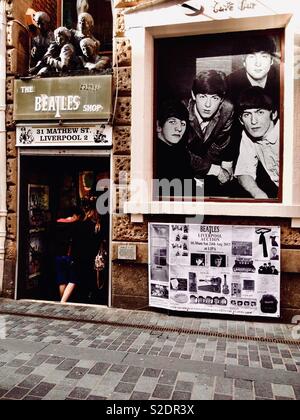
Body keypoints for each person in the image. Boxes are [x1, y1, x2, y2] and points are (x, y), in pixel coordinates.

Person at [183, 70, 235, 196]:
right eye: (202, 96)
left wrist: (216, 173)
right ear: (193, 95)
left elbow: (218, 147)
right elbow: (181, 153)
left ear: (221, 100)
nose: (208, 105)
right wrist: (214, 170)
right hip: (182, 166)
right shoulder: (182, 110)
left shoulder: (227, 110)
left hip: (208, 165)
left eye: (214, 98)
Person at [234, 86, 279, 198]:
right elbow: (244, 172)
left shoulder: (288, 133)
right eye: (247, 115)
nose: (253, 121)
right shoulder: (249, 134)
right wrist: (260, 195)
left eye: (260, 112)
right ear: (241, 120)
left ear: (273, 114)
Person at [226, 35, 280, 112]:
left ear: (271, 61)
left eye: (264, 56)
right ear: (244, 61)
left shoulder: (282, 81)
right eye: (252, 56)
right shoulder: (230, 85)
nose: (258, 63)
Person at [155, 99, 192, 195]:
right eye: (172, 122)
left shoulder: (181, 153)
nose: (179, 128)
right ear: (158, 126)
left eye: (183, 124)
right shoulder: (154, 156)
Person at [71, 199, 104, 303]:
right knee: (91, 279)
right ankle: (90, 297)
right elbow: (98, 241)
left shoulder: (78, 225)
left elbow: (74, 242)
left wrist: (73, 256)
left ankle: (82, 297)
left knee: (80, 280)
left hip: (80, 257)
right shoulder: (96, 226)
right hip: (90, 256)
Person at [53, 206, 83, 303]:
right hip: (69, 255)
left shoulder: (57, 224)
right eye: (78, 217)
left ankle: (62, 301)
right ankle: (63, 302)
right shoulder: (75, 225)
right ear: (75, 215)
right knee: (73, 279)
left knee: (61, 280)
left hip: (58, 255)